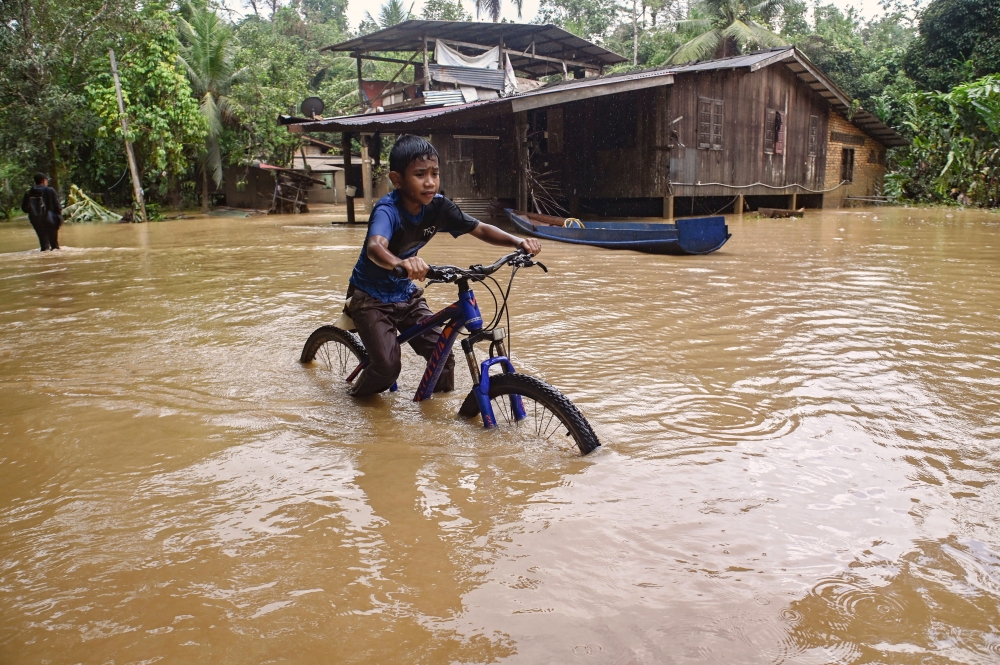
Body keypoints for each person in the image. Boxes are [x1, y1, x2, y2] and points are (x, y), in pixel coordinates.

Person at [346, 134, 541, 397]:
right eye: (420, 174)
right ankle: (353, 401)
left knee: (444, 357)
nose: (430, 182)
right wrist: (401, 262)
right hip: (370, 297)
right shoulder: (387, 210)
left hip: (405, 294)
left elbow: (480, 229)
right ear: (397, 179)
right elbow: (375, 247)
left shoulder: (439, 207)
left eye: (435, 173)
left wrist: (518, 242)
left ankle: (432, 415)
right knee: (387, 368)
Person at [21, 173, 63, 251]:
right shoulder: (50, 190)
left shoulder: (28, 192)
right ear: (44, 181)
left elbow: (24, 208)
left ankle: (44, 259)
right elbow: (58, 207)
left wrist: (34, 212)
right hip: (51, 219)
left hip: (37, 221)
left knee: (44, 246)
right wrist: (59, 218)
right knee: (54, 246)